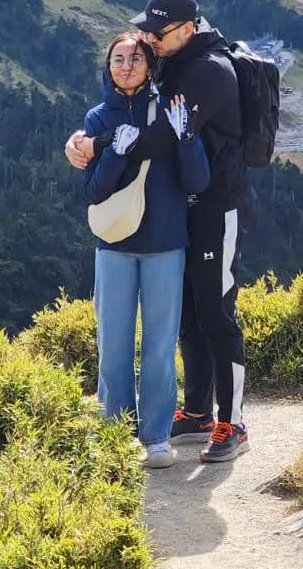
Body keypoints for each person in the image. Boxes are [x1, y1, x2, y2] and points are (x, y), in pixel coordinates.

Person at [67, 0, 251, 463]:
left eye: (158, 31)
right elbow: (129, 106)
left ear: (188, 29)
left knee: (215, 312)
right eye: (145, 28)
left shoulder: (209, 72)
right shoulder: (175, 59)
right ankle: (195, 412)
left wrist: (96, 145)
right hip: (183, 211)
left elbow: (154, 140)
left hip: (215, 206)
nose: (148, 39)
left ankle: (232, 421)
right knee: (189, 315)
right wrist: (89, 138)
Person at [81, 31, 210, 469]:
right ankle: (115, 432)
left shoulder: (169, 109)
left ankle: (155, 436)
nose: (126, 66)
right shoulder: (97, 118)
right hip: (114, 245)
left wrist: (188, 138)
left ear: (150, 65)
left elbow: (197, 181)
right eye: (118, 59)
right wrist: (115, 154)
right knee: (112, 343)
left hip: (165, 244)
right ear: (107, 66)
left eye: (135, 59)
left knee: (159, 344)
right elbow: (95, 191)